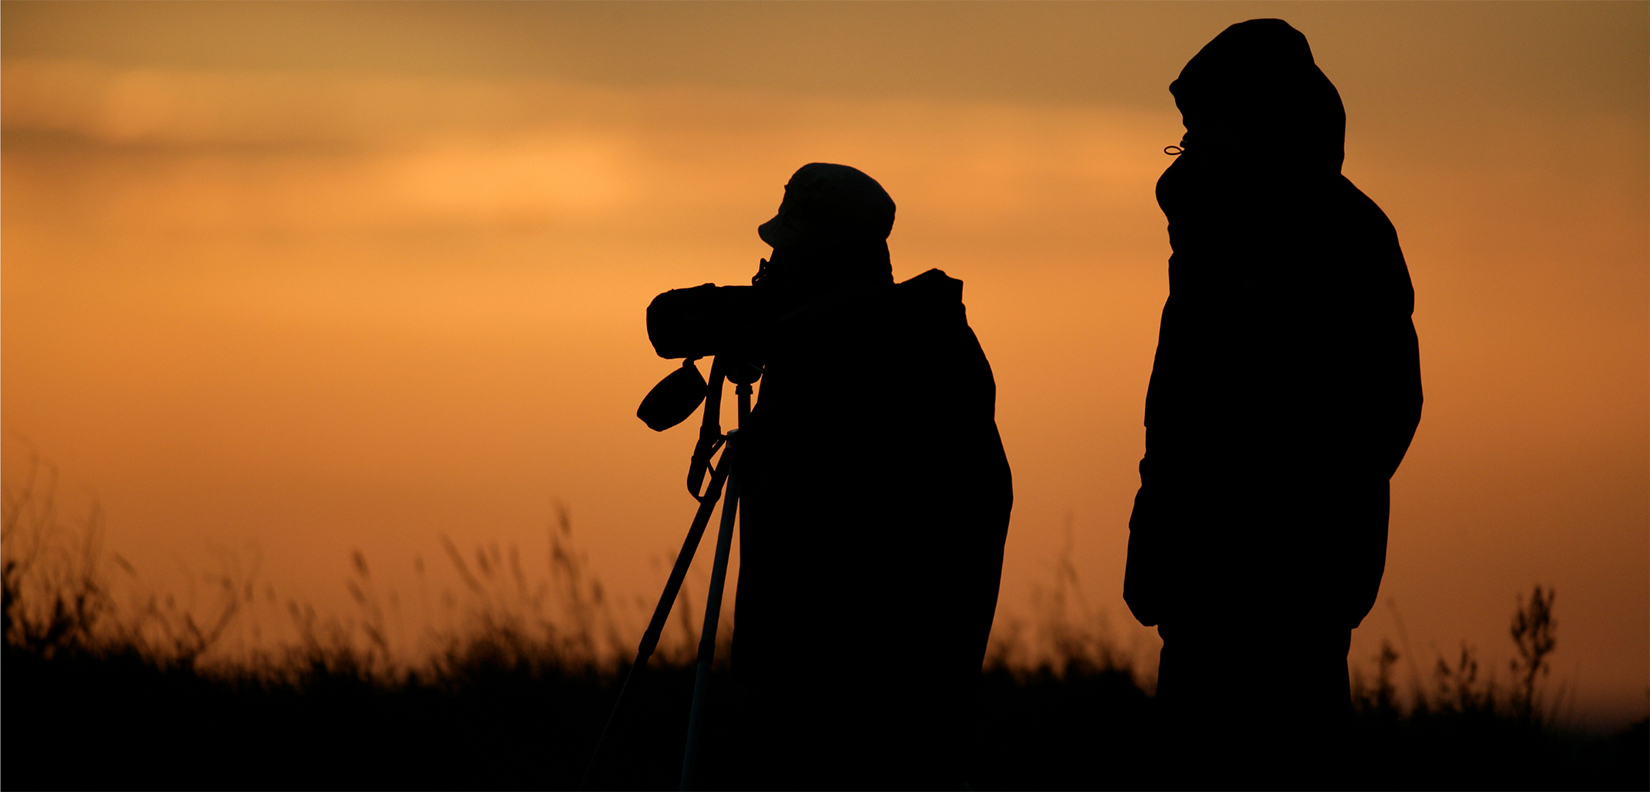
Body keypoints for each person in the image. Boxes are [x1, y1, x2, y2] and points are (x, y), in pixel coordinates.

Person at [1121, 19, 1423, 787]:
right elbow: (1181, 418)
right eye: (1184, 134)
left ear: (1258, 123)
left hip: (1286, 601)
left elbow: (1377, 415)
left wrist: (1272, 525)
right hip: (1204, 595)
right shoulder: (1215, 239)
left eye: (1203, 128)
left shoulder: (1336, 236)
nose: (1188, 148)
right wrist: (1161, 542)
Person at [731, 163, 1013, 790]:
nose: (767, 270)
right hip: (920, 693)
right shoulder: (929, 340)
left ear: (816, 258)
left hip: (841, 697)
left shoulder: (839, 361)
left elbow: (803, 534)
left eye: (781, 253)